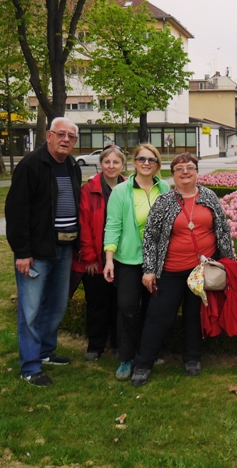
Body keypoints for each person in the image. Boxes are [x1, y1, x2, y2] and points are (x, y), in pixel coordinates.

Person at [131, 153, 235, 386]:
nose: (185, 172)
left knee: (194, 316)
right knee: (158, 317)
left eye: (190, 167)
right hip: (171, 271)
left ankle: (192, 359)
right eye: (179, 169)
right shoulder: (164, 201)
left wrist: (229, 263)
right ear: (173, 174)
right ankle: (143, 364)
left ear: (197, 172)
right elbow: (150, 237)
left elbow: (222, 230)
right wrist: (149, 269)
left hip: (201, 271)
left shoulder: (209, 197)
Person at [6, 118, 82, 387]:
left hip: (64, 248)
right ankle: (30, 366)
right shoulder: (31, 165)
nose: (66, 139)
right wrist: (22, 251)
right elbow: (16, 211)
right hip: (37, 251)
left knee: (56, 304)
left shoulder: (72, 166)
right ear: (49, 135)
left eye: (71, 136)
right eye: (61, 134)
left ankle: (46, 352)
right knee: (31, 309)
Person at [102, 144, 170, 381]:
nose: (146, 163)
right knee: (128, 308)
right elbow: (113, 225)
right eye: (142, 159)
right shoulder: (122, 191)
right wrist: (109, 259)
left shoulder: (164, 188)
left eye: (152, 159)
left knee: (153, 309)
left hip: (158, 261)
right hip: (129, 259)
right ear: (134, 162)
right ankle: (127, 357)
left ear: (157, 164)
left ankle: (148, 352)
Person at [69, 145, 126, 362]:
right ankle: (96, 345)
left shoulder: (129, 187)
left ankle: (119, 344)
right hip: (96, 258)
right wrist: (89, 257)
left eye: (115, 162)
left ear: (122, 165)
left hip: (122, 257)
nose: (111, 166)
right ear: (101, 164)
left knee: (120, 304)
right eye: (107, 162)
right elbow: (83, 225)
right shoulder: (89, 189)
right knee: (96, 304)